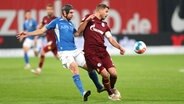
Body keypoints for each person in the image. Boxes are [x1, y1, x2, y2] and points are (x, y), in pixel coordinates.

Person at [17, 4, 104, 101]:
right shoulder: (56, 22)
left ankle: (99, 87)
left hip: (74, 50)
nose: (72, 15)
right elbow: (42, 30)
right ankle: (83, 93)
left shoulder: (71, 24)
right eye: (70, 13)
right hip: (64, 52)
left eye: (72, 13)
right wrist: (27, 33)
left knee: (90, 67)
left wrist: (86, 22)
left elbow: (77, 33)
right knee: (74, 68)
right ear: (64, 13)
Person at [77, 4, 125, 100]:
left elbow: (111, 39)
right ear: (100, 10)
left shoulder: (105, 25)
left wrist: (120, 47)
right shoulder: (88, 17)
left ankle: (111, 87)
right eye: (106, 12)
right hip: (91, 53)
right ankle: (111, 94)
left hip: (103, 52)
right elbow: (79, 31)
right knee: (105, 74)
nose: (107, 14)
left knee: (114, 74)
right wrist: (86, 21)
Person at [31, 3, 58, 75]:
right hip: (49, 41)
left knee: (42, 51)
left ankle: (39, 69)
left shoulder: (56, 19)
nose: (49, 11)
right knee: (58, 57)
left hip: (54, 41)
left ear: (53, 10)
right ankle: (77, 62)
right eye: (48, 9)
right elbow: (40, 27)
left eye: (50, 9)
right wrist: (36, 35)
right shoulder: (45, 18)